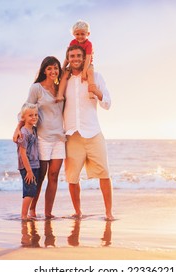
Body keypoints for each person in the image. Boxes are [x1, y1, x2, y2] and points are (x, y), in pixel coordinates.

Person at [63, 44, 114, 221]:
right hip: (71, 135)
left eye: (79, 55)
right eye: (72, 56)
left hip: (93, 133)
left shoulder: (96, 77)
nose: (75, 59)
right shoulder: (64, 79)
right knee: (72, 178)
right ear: (68, 58)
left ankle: (108, 213)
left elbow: (107, 104)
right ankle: (77, 212)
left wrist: (97, 92)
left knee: (104, 174)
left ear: (85, 58)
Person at [13, 56, 65, 220]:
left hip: (59, 138)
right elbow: (25, 109)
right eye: (49, 68)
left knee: (54, 176)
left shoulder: (61, 88)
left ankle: (48, 212)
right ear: (44, 70)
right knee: (41, 175)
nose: (53, 71)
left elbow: (69, 71)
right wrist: (18, 128)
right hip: (42, 138)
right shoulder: (36, 88)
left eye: (55, 68)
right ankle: (32, 210)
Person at [56, 20, 95, 102]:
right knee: (65, 74)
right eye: (77, 34)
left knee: (90, 73)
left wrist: (84, 71)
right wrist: (63, 67)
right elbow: (68, 56)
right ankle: (60, 94)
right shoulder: (73, 42)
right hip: (74, 63)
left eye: (82, 34)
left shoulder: (89, 44)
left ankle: (91, 92)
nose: (80, 36)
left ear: (88, 34)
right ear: (73, 34)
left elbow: (88, 58)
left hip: (87, 64)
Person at [16, 103, 40, 220]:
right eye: (30, 115)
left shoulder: (34, 130)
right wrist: (29, 170)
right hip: (27, 166)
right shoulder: (24, 133)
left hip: (35, 164)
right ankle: (24, 215)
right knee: (29, 192)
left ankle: (25, 214)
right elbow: (22, 153)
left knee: (32, 190)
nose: (34, 117)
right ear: (23, 117)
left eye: (36, 114)